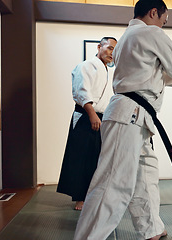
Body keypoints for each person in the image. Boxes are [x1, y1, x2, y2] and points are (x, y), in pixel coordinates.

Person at [73, 1, 172, 239]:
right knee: (113, 183)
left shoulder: (129, 36)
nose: (165, 22)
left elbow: (155, 74)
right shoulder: (149, 32)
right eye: (165, 17)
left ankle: (151, 228)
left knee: (145, 175)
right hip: (129, 116)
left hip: (135, 117)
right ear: (154, 12)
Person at [57, 37, 117, 211]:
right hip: (86, 115)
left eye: (115, 50)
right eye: (109, 48)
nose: (111, 53)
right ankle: (80, 198)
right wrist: (91, 114)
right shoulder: (86, 66)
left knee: (97, 158)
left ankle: (94, 195)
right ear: (99, 47)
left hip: (102, 117)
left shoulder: (107, 70)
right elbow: (81, 91)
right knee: (81, 156)